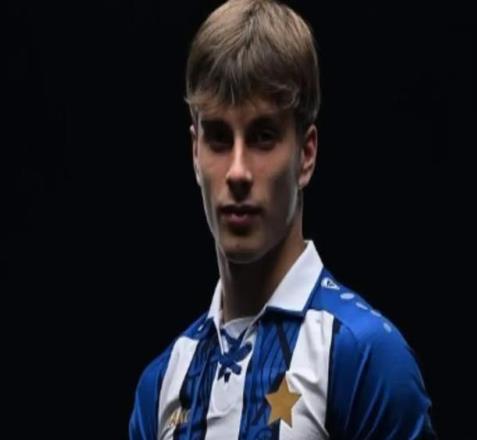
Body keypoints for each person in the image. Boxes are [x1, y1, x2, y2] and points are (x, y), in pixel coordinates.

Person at [129, 0, 436, 438]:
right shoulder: (162, 384)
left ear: (306, 155)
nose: (238, 171)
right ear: (195, 152)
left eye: (263, 136)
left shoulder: (364, 358)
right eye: (218, 138)